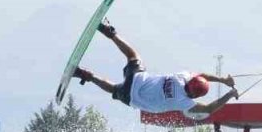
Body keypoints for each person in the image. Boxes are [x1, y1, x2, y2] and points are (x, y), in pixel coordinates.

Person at [73, 19, 239, 118]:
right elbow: (209, 109)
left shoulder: (181, 77)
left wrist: (223, 80)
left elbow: (202, 75)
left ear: (191, 81)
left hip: (138, 79)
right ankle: (87, 75)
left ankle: (110, 33)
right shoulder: (184, 103)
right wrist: (230, 95)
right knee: (113, 89)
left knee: (133, 56)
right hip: (134, 99)